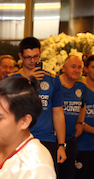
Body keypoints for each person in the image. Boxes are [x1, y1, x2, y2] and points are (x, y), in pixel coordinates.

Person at [10, 37, 66, 165]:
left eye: (35, 57)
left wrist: (61, 144)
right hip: (18, 139)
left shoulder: (53, 80)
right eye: (28, 57)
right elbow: (8, 108)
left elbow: (58, 113)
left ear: (40, 53)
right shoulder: (11, 79)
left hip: (46, 139)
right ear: (21, 56)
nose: (32, 61)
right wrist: (29, 82)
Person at [56, 55, 87, 179]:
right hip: (53, 142)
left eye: (79, 67)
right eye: (73, 66)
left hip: (71, 141)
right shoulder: (54, 84)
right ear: (64, 67)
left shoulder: (81, 87)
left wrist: (81, 122)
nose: (76, 70)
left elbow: (82, 106)